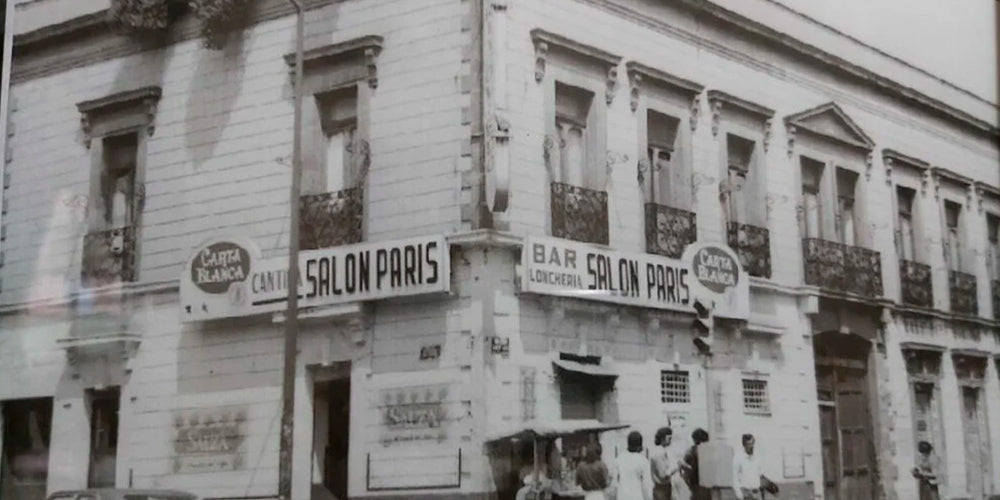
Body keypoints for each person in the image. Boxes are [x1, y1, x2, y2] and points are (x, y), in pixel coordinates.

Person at [733, 434, 777, 500]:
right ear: (744, 445)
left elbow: (760, 474)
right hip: (746, 493)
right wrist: (739, 494)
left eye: (753, 443)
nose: (752, 446)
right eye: (749, 444)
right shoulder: (738, 458)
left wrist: (770, 486)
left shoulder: (757, 456)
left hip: (757, 493)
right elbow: (734, 478)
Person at [614, 431, 653, 500]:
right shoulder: (643, 461)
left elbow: (614, 482)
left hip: (622, 496)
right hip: (637, 496)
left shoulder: (619, 459)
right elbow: (647, 485)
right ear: (640, 445)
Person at [679, 428, 710, 500]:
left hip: (696, 486)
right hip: (705, 486)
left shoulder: (691, 451)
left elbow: (686, 471)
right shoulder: (708, 451)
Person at [650, 427, 679, 500]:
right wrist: (676, 468)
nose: (670, 441)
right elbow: (663, 475)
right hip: (661, 489)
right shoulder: (659, 453)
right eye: (669, 438)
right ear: (662, 439)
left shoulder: (661, 451)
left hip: (664, 488)